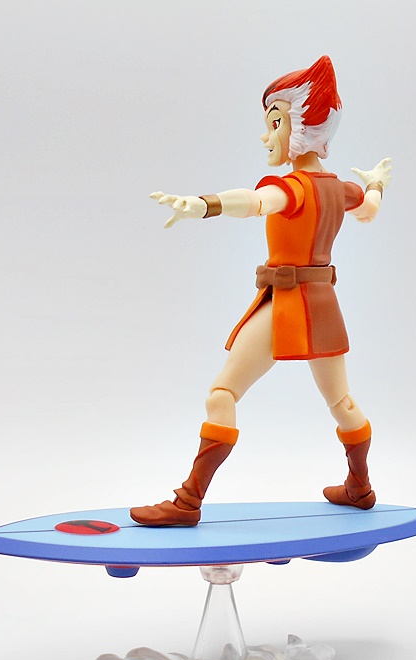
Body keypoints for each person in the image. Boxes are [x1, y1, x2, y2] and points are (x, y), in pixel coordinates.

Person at [130, 55, 391, 527]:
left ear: (302, 130)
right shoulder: (339, 189)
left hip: (289, 305)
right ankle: (360, 486)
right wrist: (375, 184)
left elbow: (255, 202)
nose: (266, 136)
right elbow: (369, 209)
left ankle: (188, 501)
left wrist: (203, 205)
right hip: (324, 306)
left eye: (275, 123)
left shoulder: (294, 187)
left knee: (222, 393)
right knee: (342, 402)